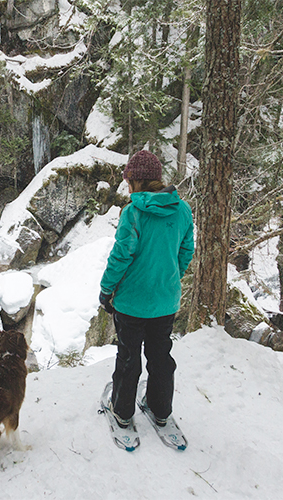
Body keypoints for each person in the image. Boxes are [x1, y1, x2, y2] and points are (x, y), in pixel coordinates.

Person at [99, 149, 194, 433]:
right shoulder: (183, 210)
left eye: (129, 181)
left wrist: (106, 290)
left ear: (137, 182)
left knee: (129, 357)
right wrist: (170, 276)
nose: (128, 186)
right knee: (161, 356)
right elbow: (186, 251)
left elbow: (121, 256)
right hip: (166, 301)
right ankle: (160, 409)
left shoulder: (133, 213)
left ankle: (123, 412)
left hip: (131, 302)